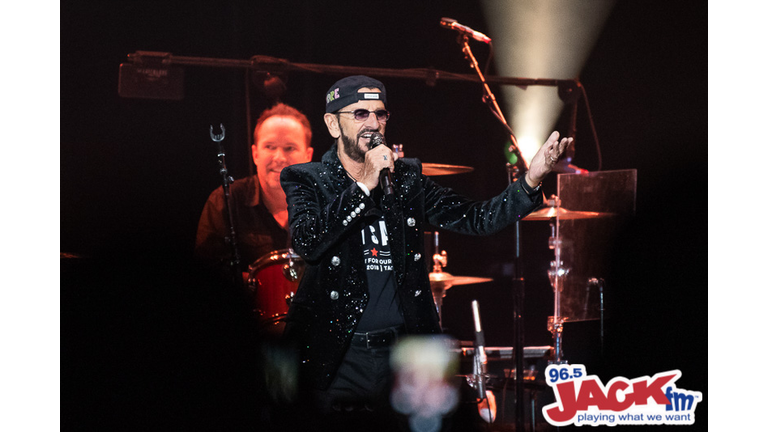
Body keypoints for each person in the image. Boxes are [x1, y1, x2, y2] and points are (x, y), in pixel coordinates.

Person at [279, 75, 571, 429]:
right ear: (332, 123)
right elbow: (307, 242)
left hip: (403, 352)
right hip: (338, 353)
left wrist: (530, 181)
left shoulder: (405, 180)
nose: (373, 123)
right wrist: (362, 186)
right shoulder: (307, 178)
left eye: (380, 114)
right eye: (360, 114)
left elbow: (476, 218)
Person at [195, 102, 314, 283]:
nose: (279, 158)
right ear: (255, 154)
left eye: (290, 148)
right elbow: (205, 274)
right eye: (270, 147)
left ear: (308, 156)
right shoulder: (226, 200)